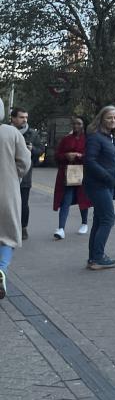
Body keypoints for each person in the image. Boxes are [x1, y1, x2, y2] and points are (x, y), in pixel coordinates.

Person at [0, 97, 32, 300]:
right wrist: (15, 175)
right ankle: (1, 270)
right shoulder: (10, 133)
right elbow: (24, 161)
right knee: (8, 234)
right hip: (6, 190)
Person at [83, 106, 115, 270]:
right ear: (101, 119)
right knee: (108, 219)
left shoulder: (111, 138)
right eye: (109, 118)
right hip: (98, 185)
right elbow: (89, 161)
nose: (113, 121)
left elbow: (112, 161)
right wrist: (107, 176)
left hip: (108, 185)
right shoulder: (95, 137)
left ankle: (93, 258)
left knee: (99, 220)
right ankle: (98, 257)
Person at [52, 115, 91, 239]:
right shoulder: (66, 139)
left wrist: (79, 156)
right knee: (66, 200)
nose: (76, 126)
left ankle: (84, 223)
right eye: (74, 124)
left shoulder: (88, 140)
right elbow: (57, 155)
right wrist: (67, 156)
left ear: (84, 125)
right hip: (67, 173)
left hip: (83, 173)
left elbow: (92, 156)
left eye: (79, 124)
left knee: (82, 199)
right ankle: (61, 228)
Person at [10, 106, 43, 241]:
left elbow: (40, 150)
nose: (24, 120)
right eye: (21, 117)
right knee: (7, 203)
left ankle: (23, 228)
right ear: (13, 118)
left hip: (25, 176)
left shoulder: (32, 134)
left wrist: (32, 149)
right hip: (7, 174)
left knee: (23, 203)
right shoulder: (6, 132)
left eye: (26, 117)